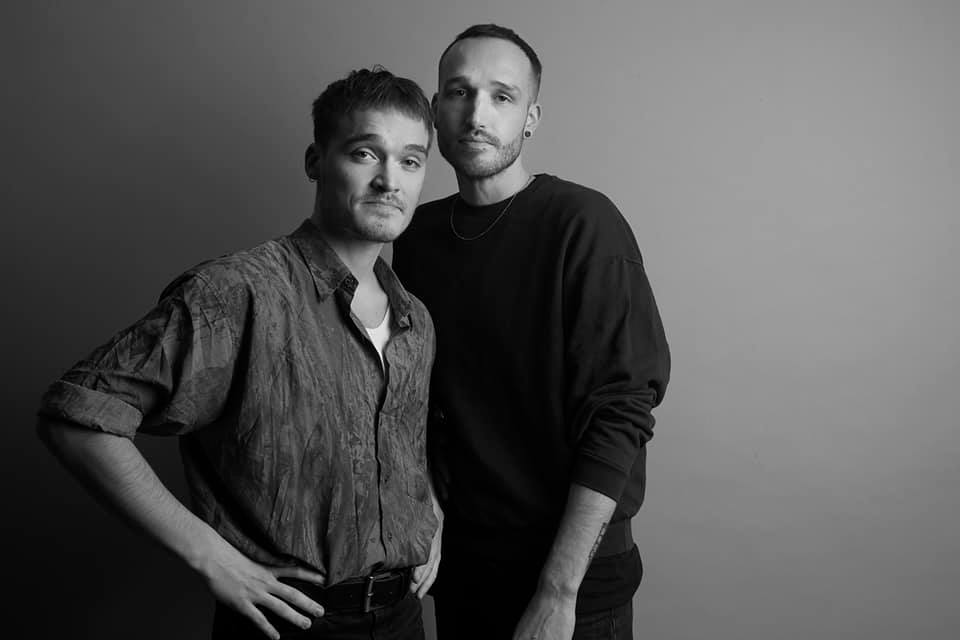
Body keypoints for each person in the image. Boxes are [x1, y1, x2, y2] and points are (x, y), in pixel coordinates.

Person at [36, 67, 442, 640]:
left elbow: (398, 442)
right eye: (365, 154)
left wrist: (427, 514)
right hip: (289, 622)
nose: (389, 181)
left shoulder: (415, 318)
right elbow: (76, 416)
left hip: (403, 618)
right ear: (316, 160)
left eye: (410, 161)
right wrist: (209, 554)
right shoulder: (237, 292)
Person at [392, 24, 671, 640]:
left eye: (502, 96)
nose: (477, 115)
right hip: (462, 568)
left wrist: (558, 591)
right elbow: (421, 395)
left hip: (571, 582)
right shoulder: (415, 237)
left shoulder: (583, 223)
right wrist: (428, 499)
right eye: (459, 93)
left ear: (531, 118)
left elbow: (622, 409)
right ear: (435, 111)